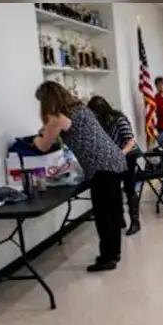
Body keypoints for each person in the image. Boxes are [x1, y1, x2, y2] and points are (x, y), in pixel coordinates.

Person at [34, 81, 127, 271]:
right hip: (115, 159)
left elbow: (43, 146)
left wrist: (36, 138)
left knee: (103, 215)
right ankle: (114, 253)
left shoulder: (57, 117)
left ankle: (107, 258)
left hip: (100, 167)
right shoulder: (80, 109)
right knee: (112, 211)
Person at [88, 95, 142, 236]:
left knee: (129, 188)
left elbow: (131, 141)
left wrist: (120, 154)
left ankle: (135, 222)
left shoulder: (118, 119)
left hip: (128, 156)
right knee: (113, 189)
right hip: (113, 159)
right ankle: (119, 220)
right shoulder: (99, 123)